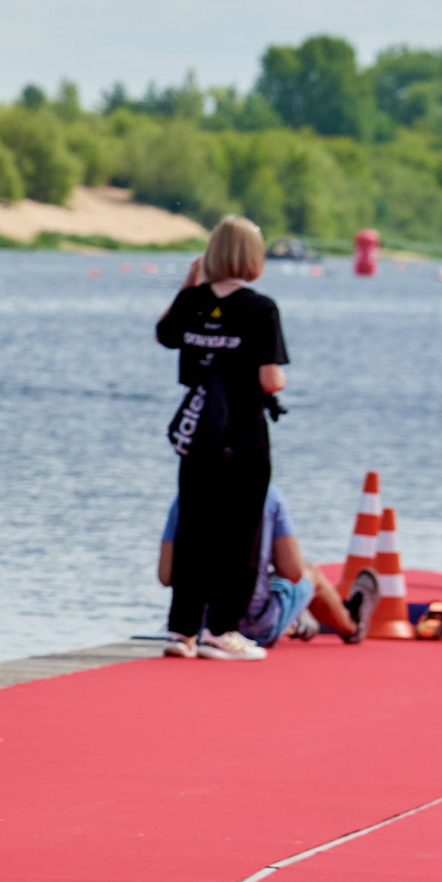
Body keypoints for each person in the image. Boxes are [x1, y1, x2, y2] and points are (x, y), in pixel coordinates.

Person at [155, 216, 287, 660]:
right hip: (242, 431)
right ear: (254, 257)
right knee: (240, 532)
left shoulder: (191, 302)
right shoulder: (260, 308)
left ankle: (182, 631)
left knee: (194, 527)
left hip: (198, 431)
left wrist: (189, 285)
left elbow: (165, 335)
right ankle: (221, 629)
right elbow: (270, 379)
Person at [158, 482, 362, 647]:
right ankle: (351, 626)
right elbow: (293, 572)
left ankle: (299, 621)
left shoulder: (185, 495)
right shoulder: (268, 495)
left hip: (195, 624)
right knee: (312, 574)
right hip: (252, 625)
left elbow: (165, 575)